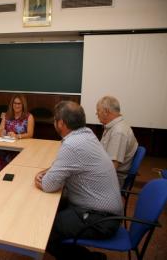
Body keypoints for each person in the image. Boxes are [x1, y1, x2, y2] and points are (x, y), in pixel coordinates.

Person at [34, 101, 123, 260]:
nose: (54, 123)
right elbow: (67, 165)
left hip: (102, 220)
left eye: (55, 120)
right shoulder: (87, 134)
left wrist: (39, 178)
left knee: (43, 229)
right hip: (101, 209)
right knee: (46, 211)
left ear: (61, 123)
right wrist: (50, 171)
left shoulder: (72, 144)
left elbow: (48, 185)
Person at [96, 96, 138, 187]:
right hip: (105, 172)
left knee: (71, 181)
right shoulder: (112, 127)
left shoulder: (118, 132)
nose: (96, 113)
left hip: (113, 181)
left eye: (98, 110)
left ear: (106, 112)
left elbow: (111, 168)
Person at [0, 95, 34, 169]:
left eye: (19, 103)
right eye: (15, 103)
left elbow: (30, 134)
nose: (16, 105)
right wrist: (2, 132)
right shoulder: (6, 115)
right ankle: (4, 175)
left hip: (20, 148)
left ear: (23, 105)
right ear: (12, 104)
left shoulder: (29, 116)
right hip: (6, 146)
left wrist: (17, 136)